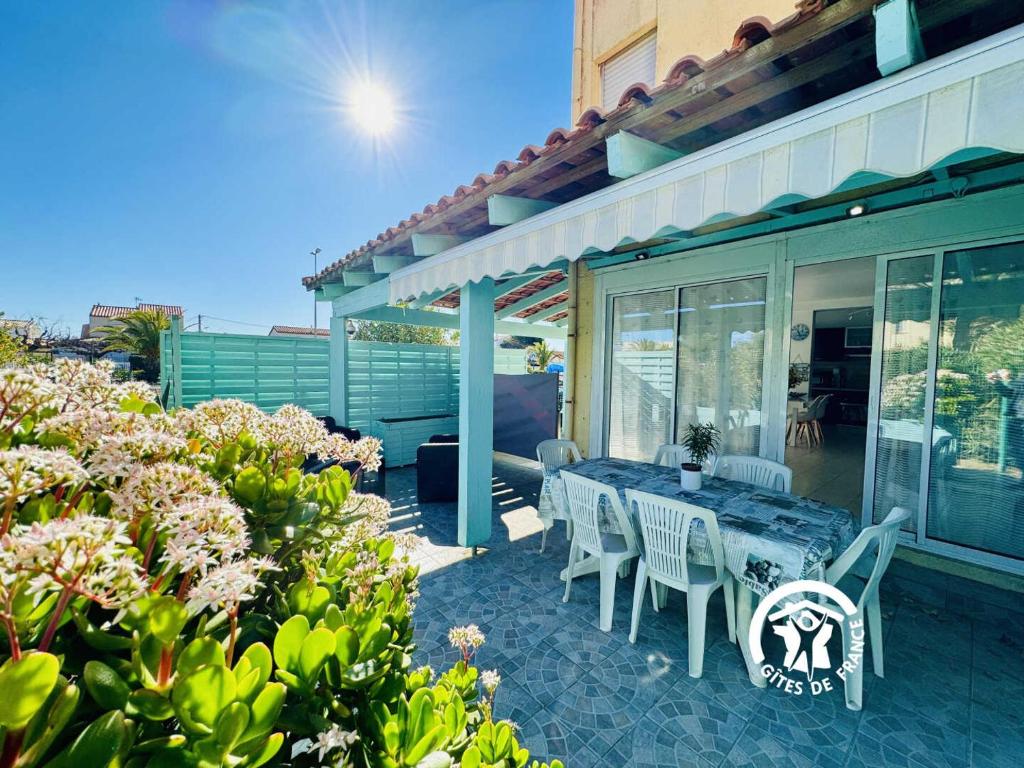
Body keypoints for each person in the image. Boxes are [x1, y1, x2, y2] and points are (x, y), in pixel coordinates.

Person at [987, 368, 1024, 478]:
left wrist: (1008, 378)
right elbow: (1010, 393)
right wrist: (996, 382)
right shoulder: (1022, 378)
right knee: (1015, 450)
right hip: (1017, 420)